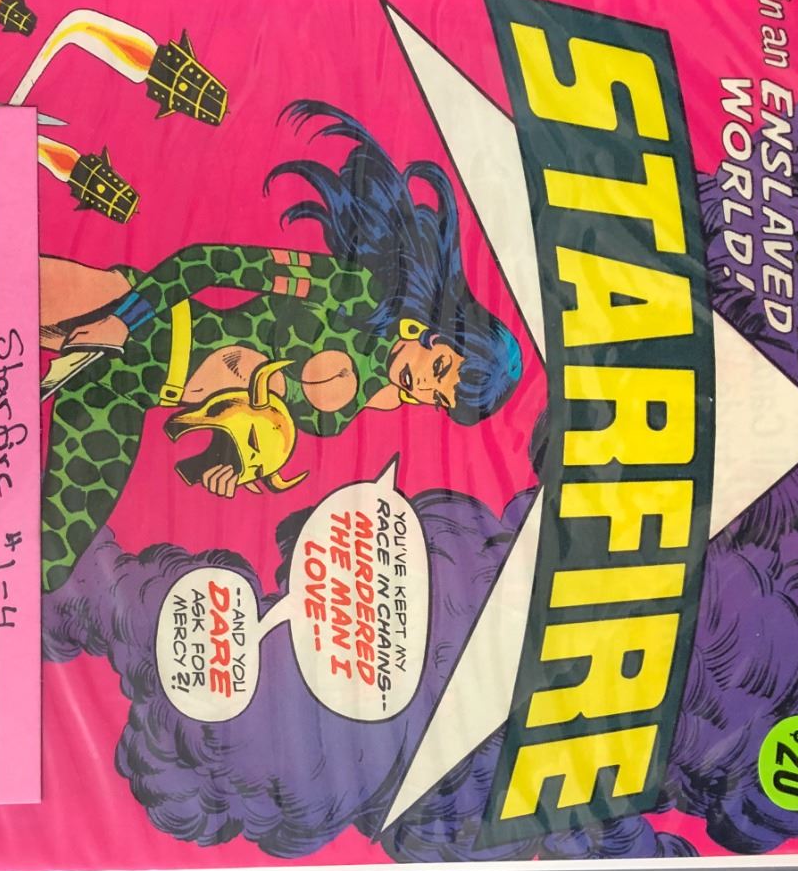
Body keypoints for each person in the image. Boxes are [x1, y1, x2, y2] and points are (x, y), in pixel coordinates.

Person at [37, 100, 524, 591]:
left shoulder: (368, 402)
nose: (422, 388)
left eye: (437, 398)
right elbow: (212, 263)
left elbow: (244, 403)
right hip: (140, 315)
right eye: (438, 369)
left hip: (128, 395)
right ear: (440, 332)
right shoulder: (356, 292)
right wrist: (123, 320)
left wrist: (226, 458)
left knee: (48, 565)